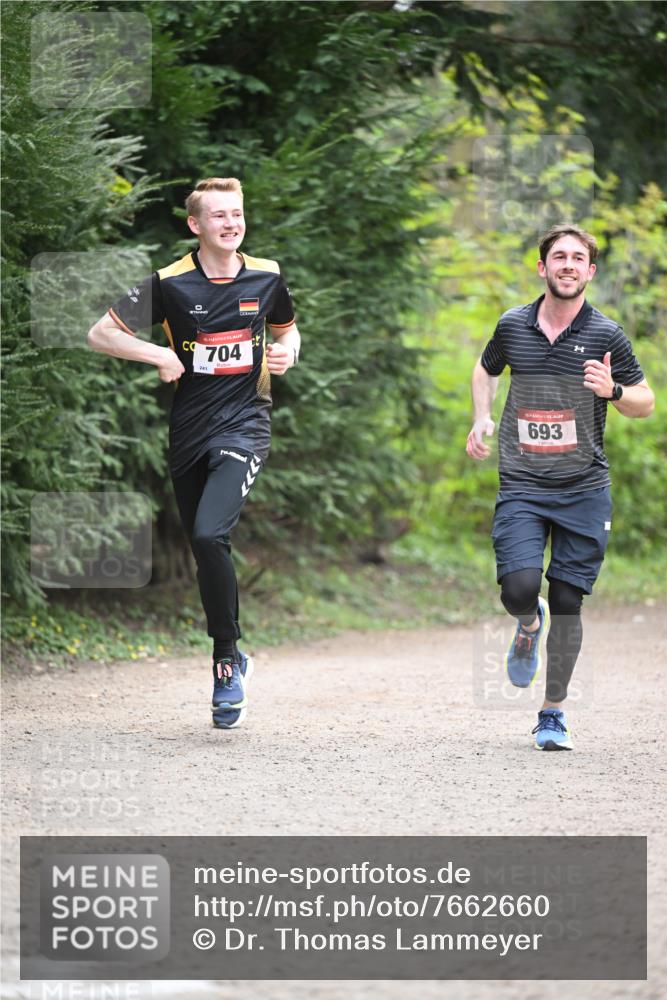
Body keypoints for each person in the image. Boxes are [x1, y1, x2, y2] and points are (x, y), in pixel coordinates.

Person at [88, 177, 300, 729]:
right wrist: (156, 351)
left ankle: (226, 661)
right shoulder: (169, 283)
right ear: (195, 225)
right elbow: (100, 335)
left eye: (238, 214)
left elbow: (288, 331)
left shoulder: (267, 275)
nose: (232, 224)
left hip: (246, 425)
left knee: (210, 533)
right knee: (203, 548)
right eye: (220, 216)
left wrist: (285, 353)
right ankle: (231, 653)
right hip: (189, 432)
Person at [466, 224, 654, 750]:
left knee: (568, 597)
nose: (568, 265)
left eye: (578, 258)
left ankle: (552, 713)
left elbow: (646, 401)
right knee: (520, 590)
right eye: (558, 257)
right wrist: (481, 418)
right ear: (542, 267)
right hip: (524, 483)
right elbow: (485, 371)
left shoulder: (606, 335)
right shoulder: (513, 326)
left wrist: (613, 389)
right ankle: (529, 624)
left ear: (590, 272)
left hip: (584, 487)